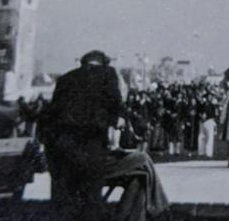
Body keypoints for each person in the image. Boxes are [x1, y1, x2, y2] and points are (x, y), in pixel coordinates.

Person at [38, 50, 169, 221]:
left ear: (83, 64)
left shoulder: (65, 80)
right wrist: (120, 120)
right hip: (92, 161)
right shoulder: (107, 74)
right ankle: (161, 211)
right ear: (104, 64)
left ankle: (152, 211)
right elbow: (116, 107)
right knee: (143, 161)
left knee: (139, 176)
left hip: (63, 164)